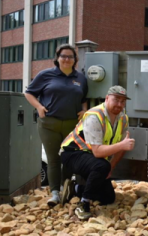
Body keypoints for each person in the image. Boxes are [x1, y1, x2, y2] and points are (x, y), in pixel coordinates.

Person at [25, 44, 88, 206]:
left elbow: (84, 98)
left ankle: (65, 189)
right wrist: (39, 107)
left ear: (75, 60)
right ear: (57, 58)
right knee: (53, 159)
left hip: (72, 125)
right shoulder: (45, 75)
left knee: (67, 158)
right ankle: (54, 194)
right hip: (49, 124)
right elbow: (29, 93)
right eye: (63, 56)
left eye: (70, 57)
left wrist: (84, 110)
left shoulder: (80, 78)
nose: (66, 59)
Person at [60, 85, 135, 220]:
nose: (120, 104)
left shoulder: (123, 118)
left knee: (108, 197)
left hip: (92, 158)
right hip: (72, 153)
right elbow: (98, 152)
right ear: (107, 98)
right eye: (116, 99)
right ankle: (83, 204)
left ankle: (76, 189)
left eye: (123, 101)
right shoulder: (94, 115)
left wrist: (111, 166)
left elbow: (122, 147)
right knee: (101, 165)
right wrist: (121, 146)